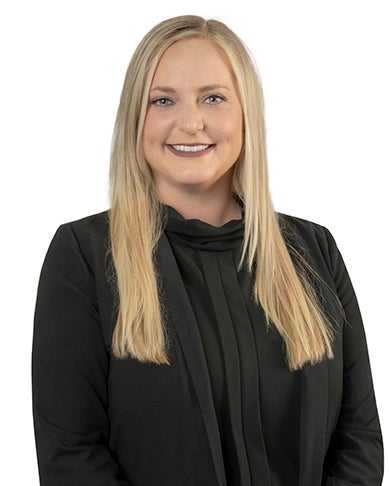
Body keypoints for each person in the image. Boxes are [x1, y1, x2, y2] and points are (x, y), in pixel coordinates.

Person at [32, 14, 384, 486]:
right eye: (163, 100)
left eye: (213, 98)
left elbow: (358, 438)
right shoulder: (84, 257)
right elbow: (72, 455)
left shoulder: (314, 251)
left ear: (246, 114)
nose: (190, 122)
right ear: (136, 118)